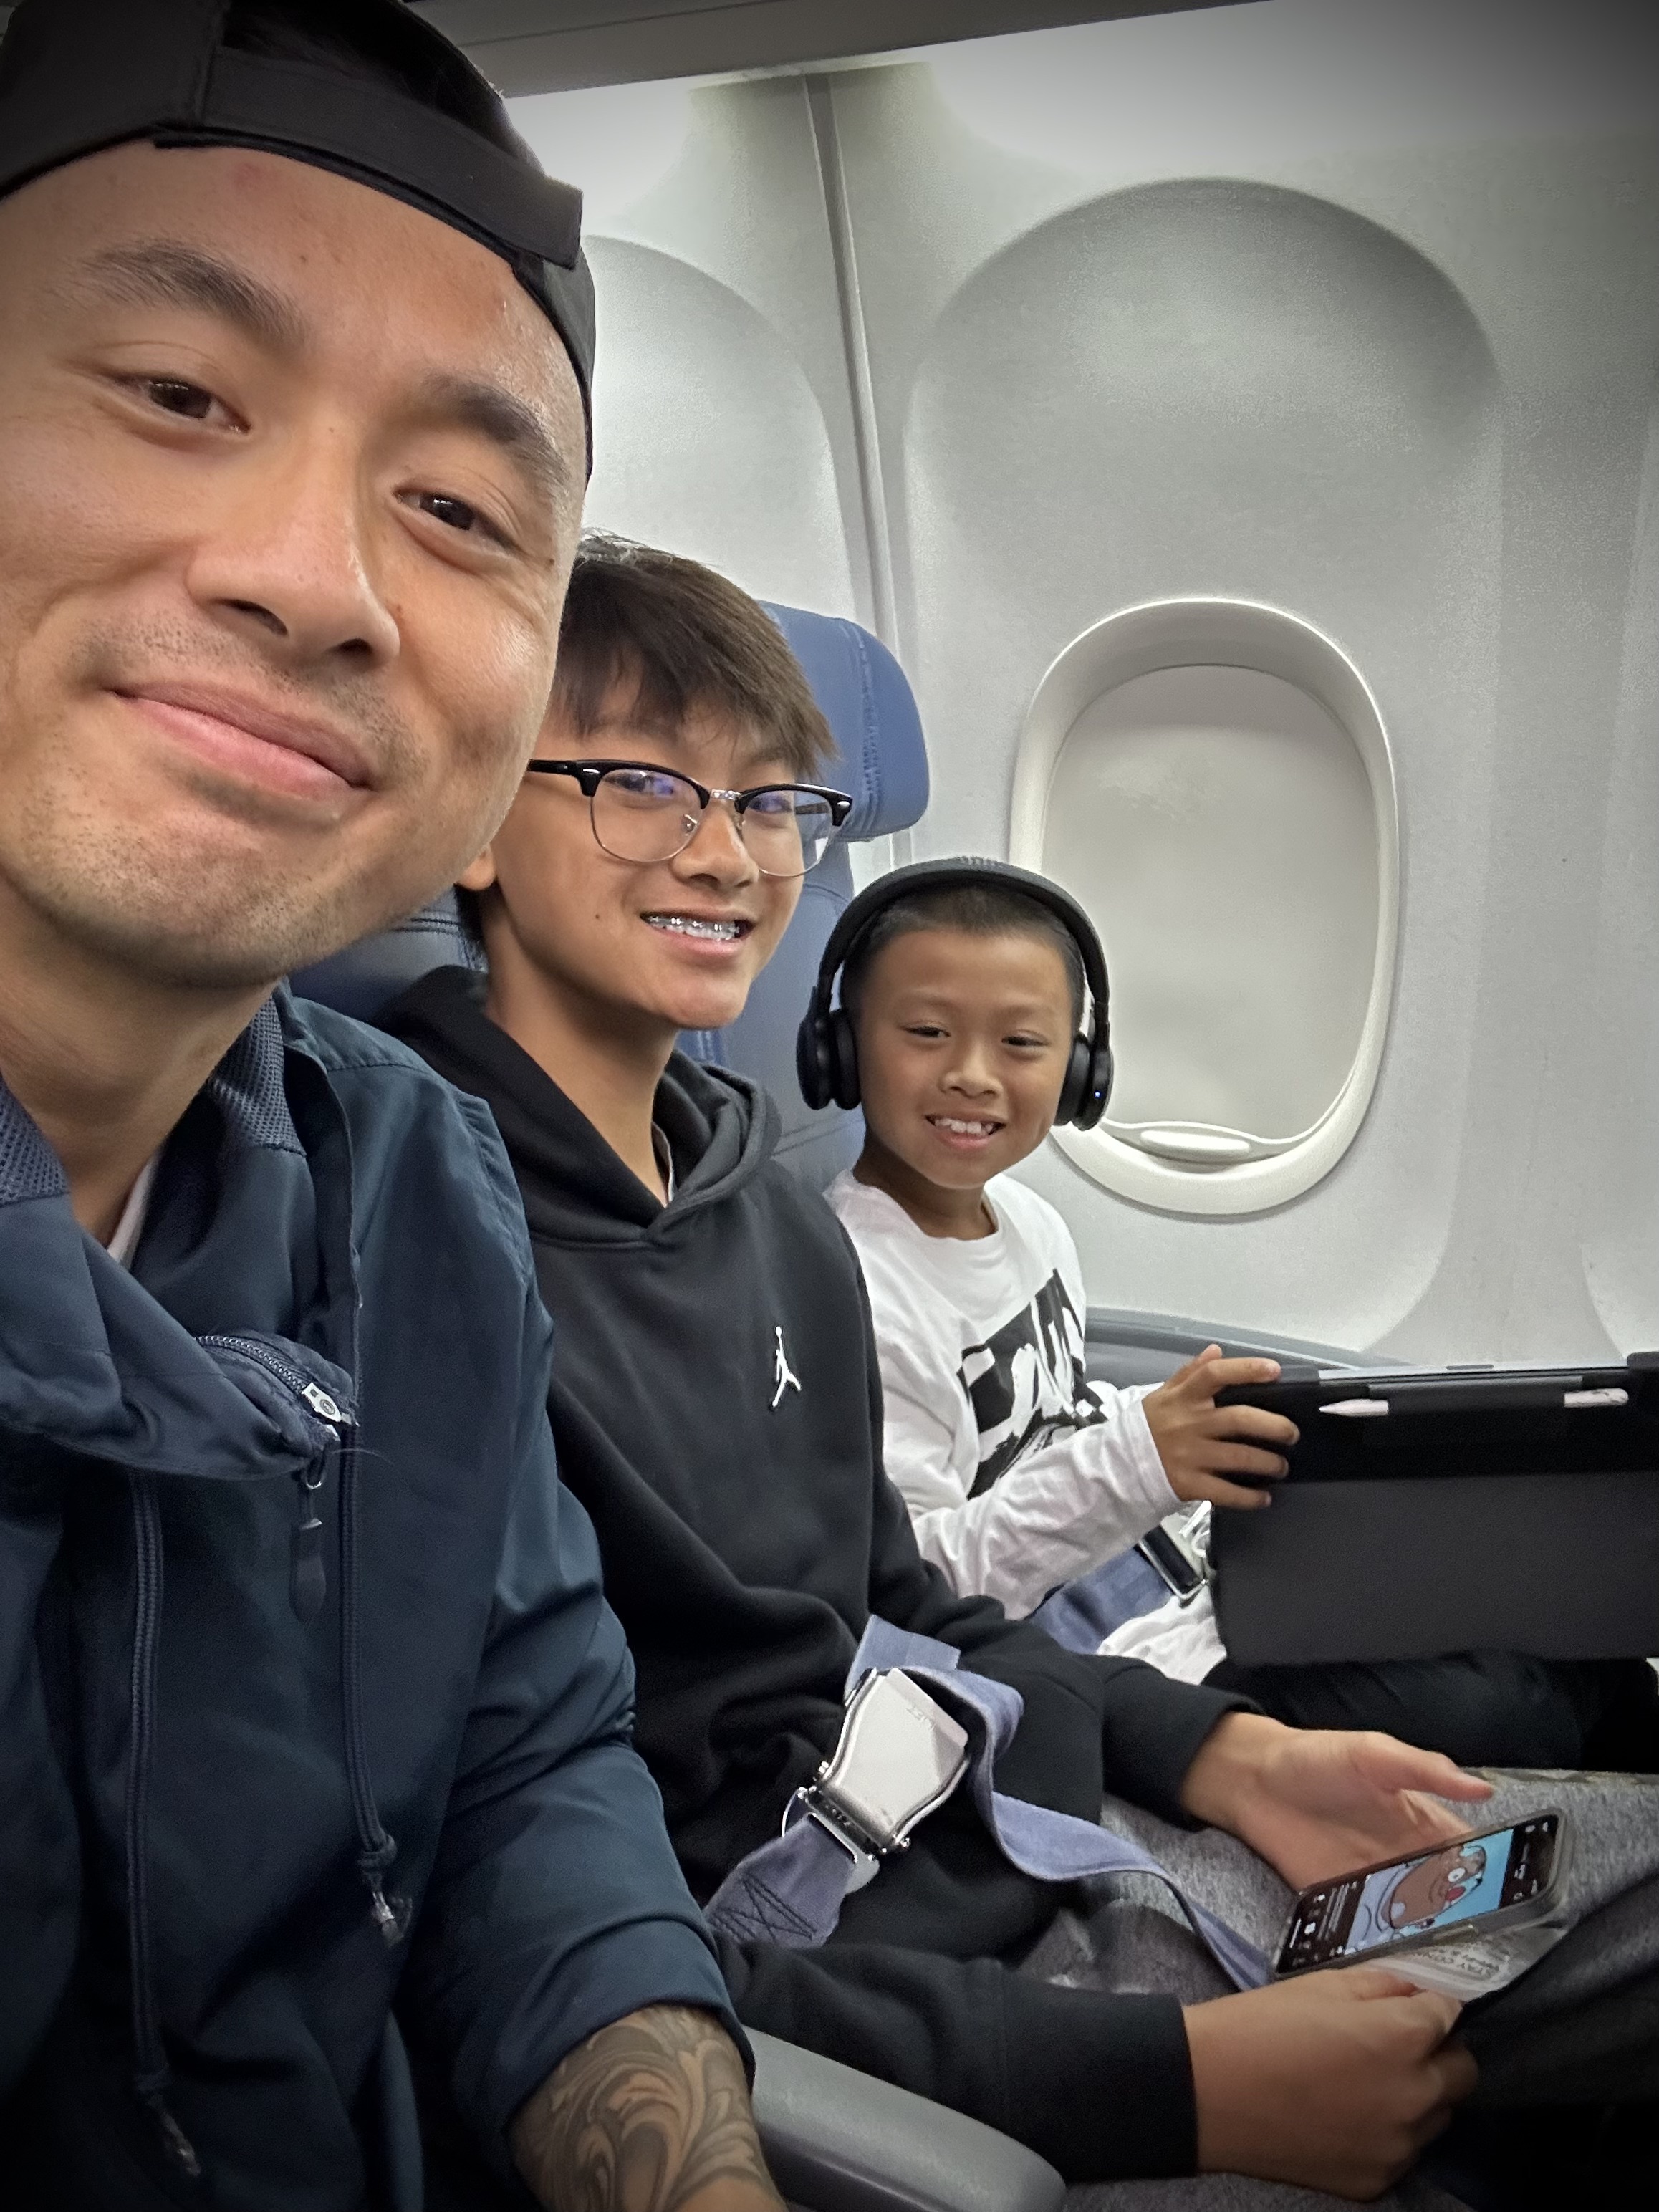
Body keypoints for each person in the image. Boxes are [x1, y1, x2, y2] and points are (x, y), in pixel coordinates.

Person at [384, 534, 1659, 2205]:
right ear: (474, 814)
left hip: (1033, 1822)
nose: (725, 852)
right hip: (899, 1997)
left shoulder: (761, 1210)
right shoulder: (411, 1247)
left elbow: (903, 1602)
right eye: (642, 785)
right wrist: (1168, 2088)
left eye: (770, 801)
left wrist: (1222, 1755)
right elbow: (545, 1913)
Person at [0, 5, 785, 2208]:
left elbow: (527, 1766)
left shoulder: (412, 1181)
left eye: (456, 511)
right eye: (176, 394)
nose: (318, 580)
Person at [824, 867, 1659, 1774]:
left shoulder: (1032, 1224)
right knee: (1503, 1705)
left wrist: (1193, 1420)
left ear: (1080, 1071)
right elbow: (921, 1586)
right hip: (1108, 1656)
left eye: (1022, 1041)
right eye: (927, 1032)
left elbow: (1052, 1422)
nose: (972, 1075)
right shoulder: (857, 1290)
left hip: (1189, 1570)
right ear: (842, 1044)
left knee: (1555, 1621)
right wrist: (1141, 1457)